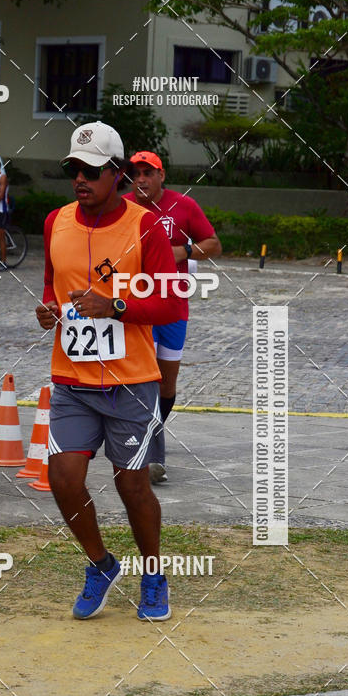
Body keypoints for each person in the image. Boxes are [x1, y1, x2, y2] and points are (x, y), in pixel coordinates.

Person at [35, 122, 186, 621]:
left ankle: (154, 575)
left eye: (92, 170)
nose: (81, 178)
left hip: (131, 382)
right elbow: (52, 287)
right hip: (72, 380)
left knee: (132, 485)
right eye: (74, 169)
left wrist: (117, 304)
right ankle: (100, 564)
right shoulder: (55, 220)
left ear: (117, 174)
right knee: (63, 478)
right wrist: (48, 311)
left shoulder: (144, 226)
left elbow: (170, 302)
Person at [125, 151, 222, 483]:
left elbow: (214, 244)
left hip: (174, 307)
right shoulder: (123, 207)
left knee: (166, 384)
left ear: (160, 175)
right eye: (135, 173)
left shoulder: (183, 206)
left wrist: (184, 251)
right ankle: (152, 452)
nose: (141, 179)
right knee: (146, 378)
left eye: (147, 173)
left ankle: (155, 429)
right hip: (137, 306)